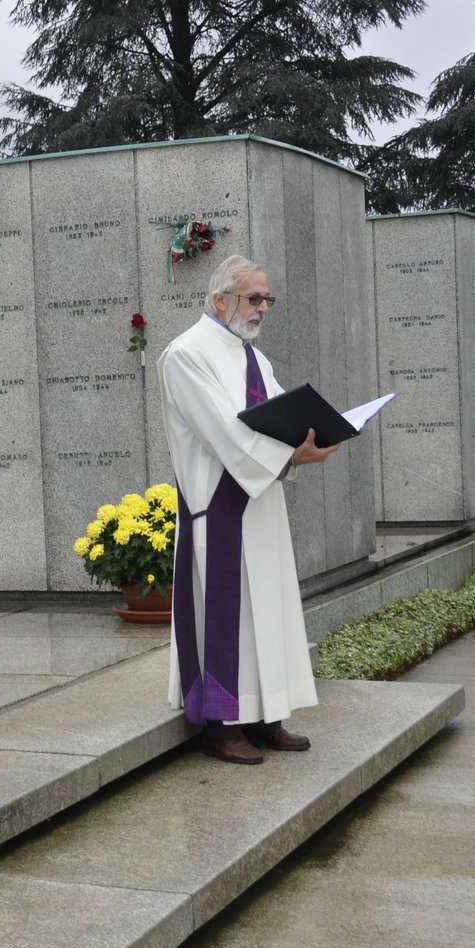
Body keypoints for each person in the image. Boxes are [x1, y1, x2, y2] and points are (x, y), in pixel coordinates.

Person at [157, 254, 342, 764]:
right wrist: (290, 453)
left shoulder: (255, 358)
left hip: (260, 502)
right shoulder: (185, 355)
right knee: (226, 614)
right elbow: (226, 433)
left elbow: (279, 415)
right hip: (218, 505)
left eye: (267, 299)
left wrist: (317, 431)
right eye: (253, 298)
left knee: (270, 609)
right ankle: (220, 725)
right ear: (220, 300)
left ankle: (265, 717)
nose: (262, 308)